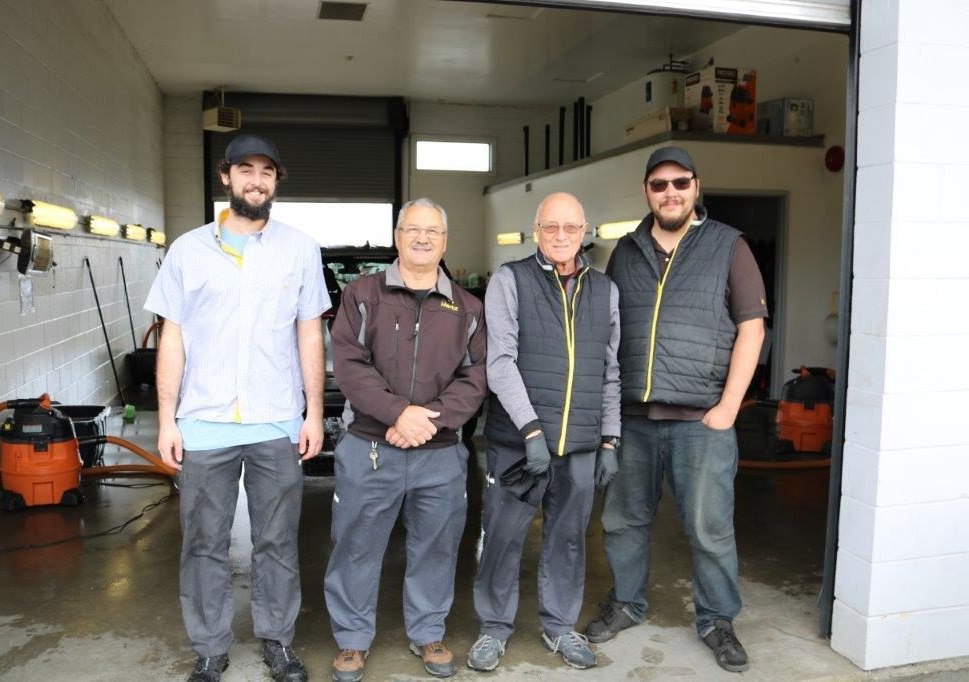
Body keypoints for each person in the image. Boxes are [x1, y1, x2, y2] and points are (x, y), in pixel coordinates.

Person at [146, 134, 330, 682]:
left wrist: (314, 412)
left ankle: (276, 641)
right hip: (203, 423)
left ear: (276, 181)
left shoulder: (299, 249)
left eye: (267, 171)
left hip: (276, 419)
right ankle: (209, 646)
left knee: (277, 540)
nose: (256, 180)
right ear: (225, 177)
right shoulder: (187, 250)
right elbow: (172, 338)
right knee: (204, 542)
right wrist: (166, 419)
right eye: (245, 169)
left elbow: (309, 335)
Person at [586, 146, 767, 673]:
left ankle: (717, 621)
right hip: (634, 419)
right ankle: (626, 603)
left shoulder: (727, 246)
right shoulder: (626, 250)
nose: (670, 192)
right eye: (660, 184)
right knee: (622, 521)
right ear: (646, 190)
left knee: (709, 528)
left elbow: (752, 329)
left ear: (696, 187)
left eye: (680, 183)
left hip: (700, 421)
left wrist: (728, 408)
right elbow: (611, 333)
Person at [324, 198, 488, 682]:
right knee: (355, 543)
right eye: (413, 230)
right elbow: (350, 365)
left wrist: (426, 422)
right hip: (370, 448)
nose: (422, 239)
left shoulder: (467, 307)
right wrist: (399, 413)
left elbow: (475, 378)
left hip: (438, 452)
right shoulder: (361, 294)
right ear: (398, 236)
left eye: (432, 232)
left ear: (445, 242)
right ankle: (352, 642)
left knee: (437, 545)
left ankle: (428, 632)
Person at [468, 192, 621, 672]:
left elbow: (609, 371)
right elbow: (500, 362)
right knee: (502, 536)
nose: (560, 236)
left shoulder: (606, 291)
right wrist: (531, 429)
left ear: (585, 232)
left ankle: (559, 626)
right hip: (518, 445)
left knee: (569, 539)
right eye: (550, 227)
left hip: (578, 446)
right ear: (536, 230)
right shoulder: (511, 281)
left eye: (570, 228)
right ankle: (494, 628)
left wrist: (610, 439)